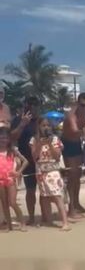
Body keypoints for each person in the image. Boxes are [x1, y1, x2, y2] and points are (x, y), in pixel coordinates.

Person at [31, 115, 70, 230]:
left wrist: (49, 144)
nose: (46, 128)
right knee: (45, 197)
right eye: (43, 125)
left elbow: (57, 156)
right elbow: (34, 157)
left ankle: (65, 222)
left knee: (57, 196)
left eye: (48, 125)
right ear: (38, 127)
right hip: (41, 171)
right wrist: (40, 144)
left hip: (53, 170)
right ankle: (48, 221)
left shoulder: (55, 139)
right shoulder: (34, 140)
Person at [61, 92, 85, 217]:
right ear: (78, 103)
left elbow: (83, 131)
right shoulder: (71, 115)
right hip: (68, 145)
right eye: (83, 105)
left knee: (77, 176)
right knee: (72, 176)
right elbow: (74, 131)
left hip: (77, 144)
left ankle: (77, 203)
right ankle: (71, 208)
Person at [11, 96, 38, 225]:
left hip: (41, 159)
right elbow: (12, 137)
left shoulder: (39, 119)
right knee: (30, 190)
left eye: (36, 104)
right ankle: (31, 217)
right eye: (31, 104)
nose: (33, 107)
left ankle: (46, 215)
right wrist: (22, 124)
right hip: (27, 159)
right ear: (25, 105)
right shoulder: (17, 120)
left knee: (46, 190)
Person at [0, 124, 28, 231]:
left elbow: (25, 161)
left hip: (11, 179)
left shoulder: (12, 150)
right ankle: (9, 226)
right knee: (4, 204)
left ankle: (22, 223)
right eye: (1, 137)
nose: (3, 139)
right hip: (0, 181)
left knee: (12, 202)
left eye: (5, 137)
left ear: (9, 139)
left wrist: (18, 172)